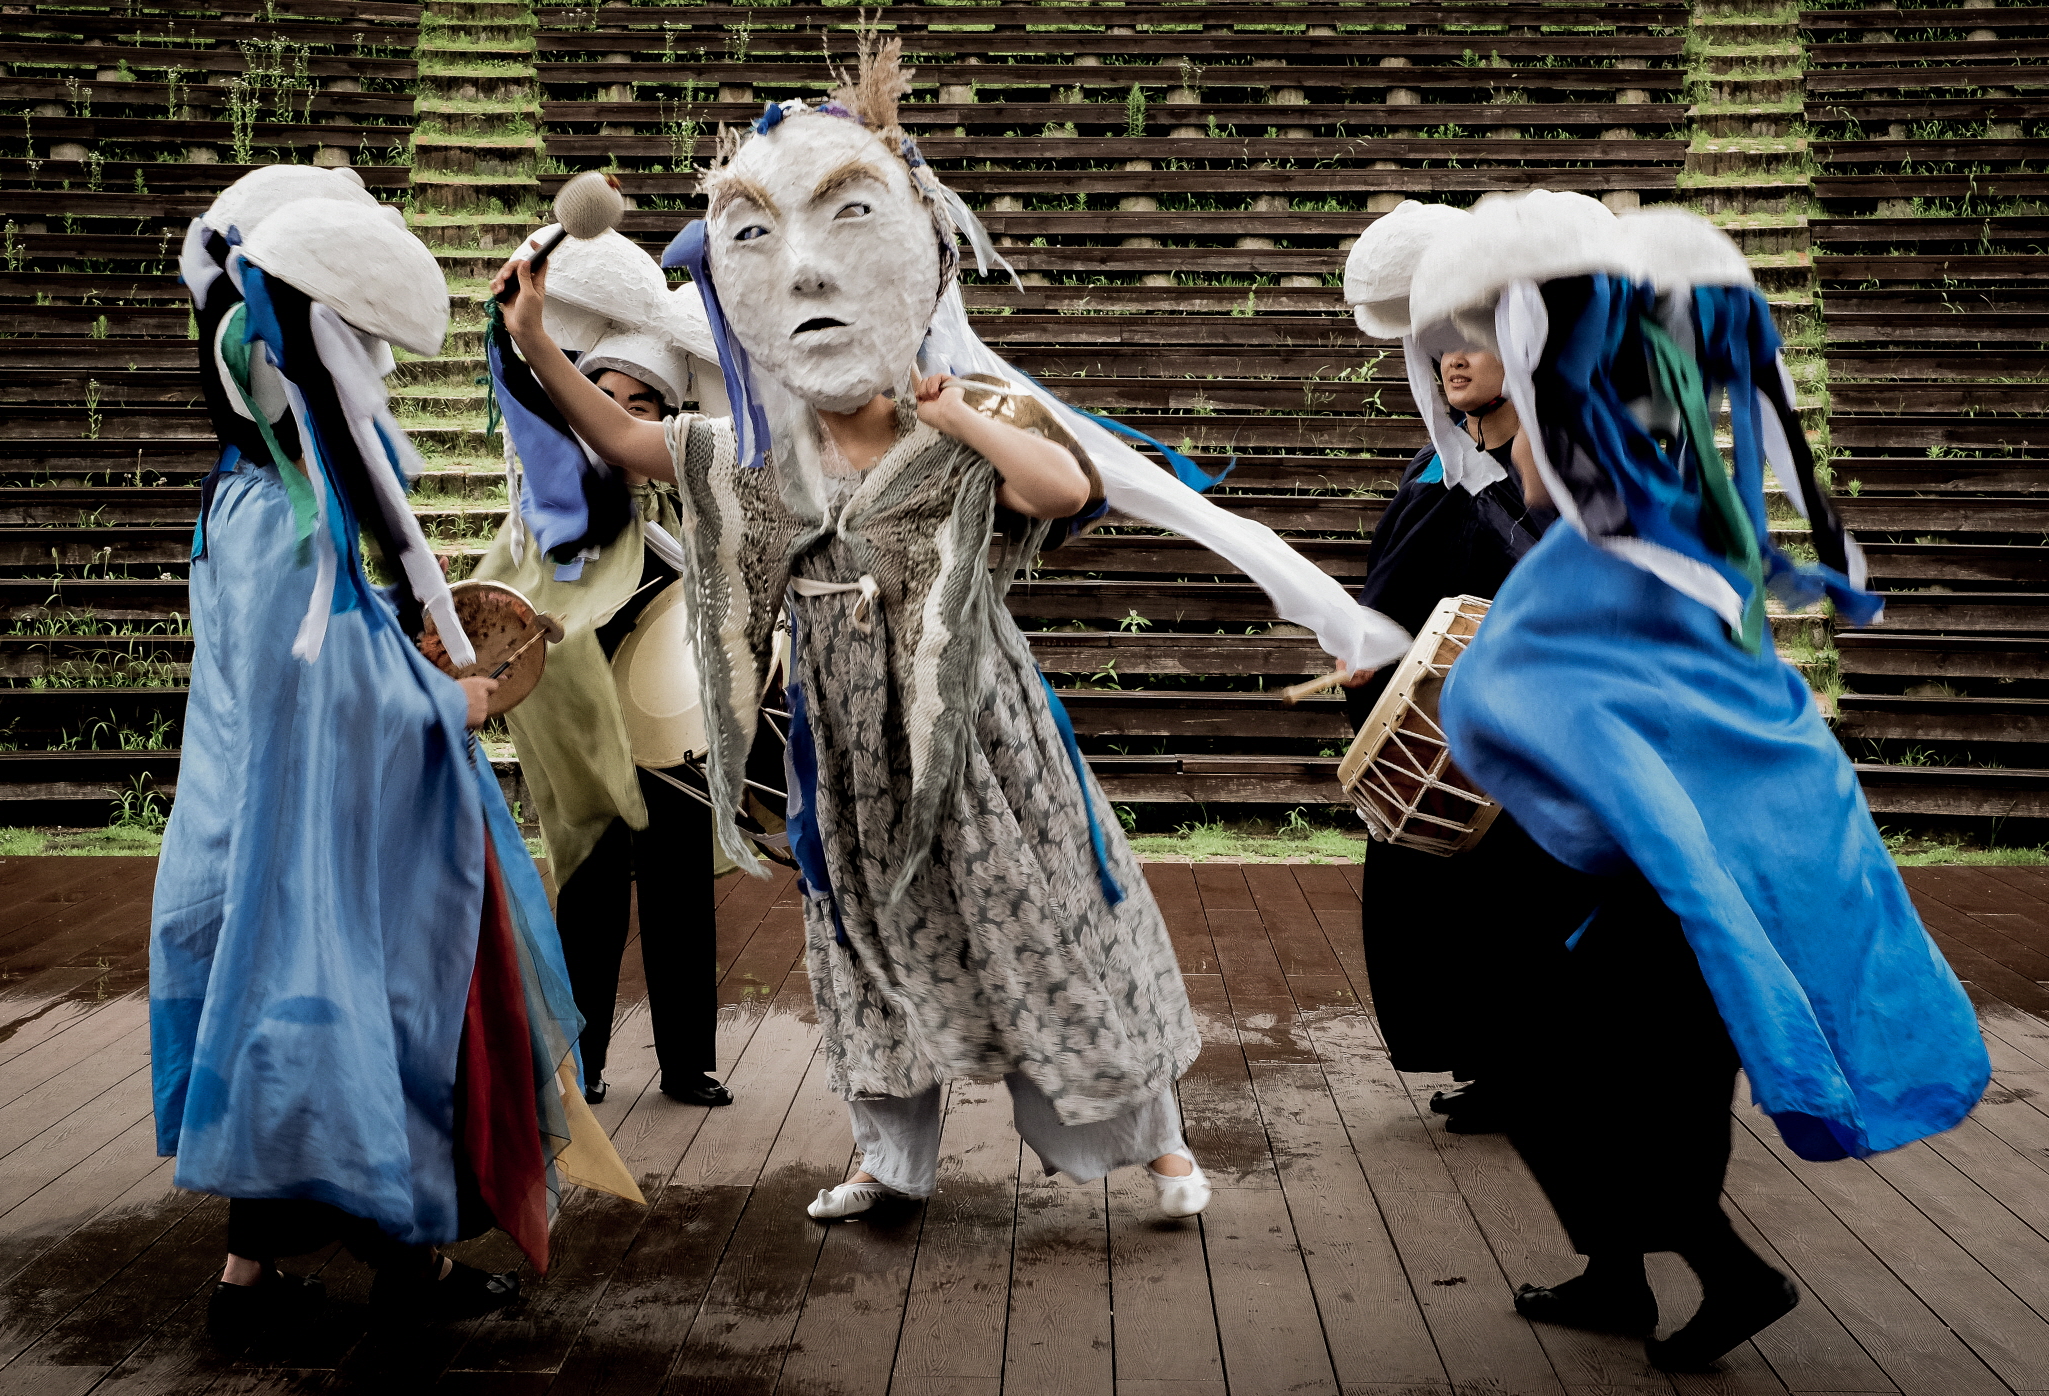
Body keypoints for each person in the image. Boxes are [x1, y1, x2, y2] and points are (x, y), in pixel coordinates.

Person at [488, 34, 1413, 1223]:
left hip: (980, 744)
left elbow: (1062, 489)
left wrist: (955, 411)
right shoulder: (758, 460)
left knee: (1049, 935)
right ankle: (890, 1159)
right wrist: (533, 341)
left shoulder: (957, 424)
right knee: (869, 953)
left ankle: (1160, 1147)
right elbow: (625, 441)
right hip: (848, 756)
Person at [1413, 192, 1991, 1370]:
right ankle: (1626, 1276)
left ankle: (1725, 1274)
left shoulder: (1618, 541)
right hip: (1716, 858)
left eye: (1527, 430)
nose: (1508, 454)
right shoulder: (1667, 529)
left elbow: (1518, 697)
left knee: (1582, 1072)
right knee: (1605, 1064)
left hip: (1698, 873)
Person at [153, 165, 638, 1353]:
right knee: (398, 1027)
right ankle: (389, 1268)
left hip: (279, 819)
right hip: (326, 830)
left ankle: (260, 1283)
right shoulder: (284, 522)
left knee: (309, 1033)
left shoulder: (247, 498)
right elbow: (327, 686)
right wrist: (449, 694)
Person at [1335, 202, 1601, 1131]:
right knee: (1439, 904)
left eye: (1474, 339)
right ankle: (1495, 1064)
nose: (1453, 357)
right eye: (1439, 342)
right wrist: (1367, 653)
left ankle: (1545, 1072)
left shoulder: (1561, 469)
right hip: (1445, 745)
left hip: (1538, 743)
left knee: (1529, 901)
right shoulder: (1430, 475)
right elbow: (1393, 595)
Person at [471, 229, 737, 1110]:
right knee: (586, 886)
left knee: (678, 888)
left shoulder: (690, 504)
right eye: (604, 394)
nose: (618, 411)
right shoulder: (551, 511)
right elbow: (503, 613)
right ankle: (578, 1061)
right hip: (584, 728)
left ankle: (689, 1063)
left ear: (665, 416)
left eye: (640, 402)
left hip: (669, 724)